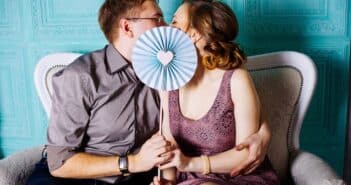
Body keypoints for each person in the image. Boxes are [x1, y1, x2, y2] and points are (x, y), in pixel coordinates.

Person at [26, 0, 271, 185]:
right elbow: (58, 162)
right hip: (77, 179)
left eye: (170, 20)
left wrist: (264, 131)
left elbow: (222, 107)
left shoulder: (168, 73)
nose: (165, 27)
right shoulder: (81, 77)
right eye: (158, 18)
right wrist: (134, 163)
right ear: (127, 27)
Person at [153, 0, 280, 184]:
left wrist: (190, 163)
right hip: (190, 180)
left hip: (238, 177)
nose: (166, 27)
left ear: (194, 35)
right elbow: (169, 147)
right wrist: (167, 182)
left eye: (174, 22)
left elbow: (245, 154)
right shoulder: (167, 82)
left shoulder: (236, 80)